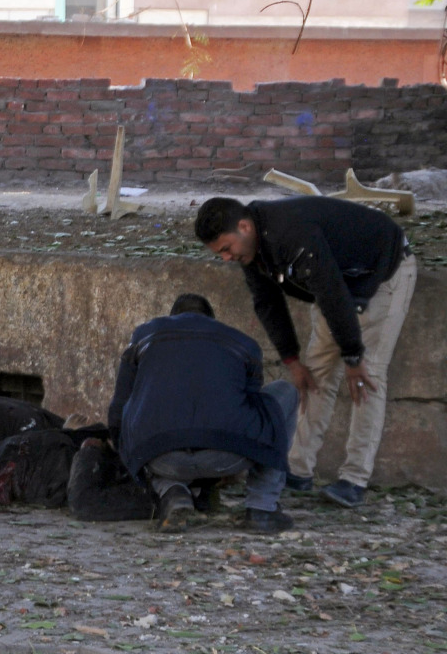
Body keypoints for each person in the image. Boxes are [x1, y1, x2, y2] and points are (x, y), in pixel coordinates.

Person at [195, 196, 416, 508]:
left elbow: (331, 291)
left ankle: (354, 479)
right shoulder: (252, 250)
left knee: (368, 376)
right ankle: (298, 469)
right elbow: (267, 302)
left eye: (227, 249)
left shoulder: (291, 233)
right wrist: (292, 360)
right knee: (314, 374)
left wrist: (353, 356)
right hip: (337, 283)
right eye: (220, 253)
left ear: (244, 227)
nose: (227, 258)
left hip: (382, 274)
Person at [107, 294, 299, 534]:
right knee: (286, 392)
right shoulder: (245, 343)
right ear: (211, 320)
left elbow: (117, 410)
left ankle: (171, 491)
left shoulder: (143, 336)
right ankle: (262, 507)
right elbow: (254, 406)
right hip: (228, 455)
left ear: (172, 317)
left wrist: (129, 459)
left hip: (162, 461)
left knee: (132, 407)